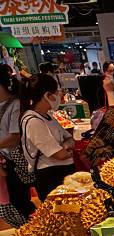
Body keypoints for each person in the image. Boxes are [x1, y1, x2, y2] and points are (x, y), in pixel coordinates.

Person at [19, 73, 75, 201]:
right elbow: (60, 155)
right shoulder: (32, 120)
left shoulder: (48, 117)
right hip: (52, 178)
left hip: (63, 173)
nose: (59, 95)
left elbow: (70, 139)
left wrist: (65, 146)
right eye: (56, 92)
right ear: (47, 95)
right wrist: (65, 149)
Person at [0, 65, 35, 227]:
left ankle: (34, 231)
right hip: (5, 162)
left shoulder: (15, 105)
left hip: (15, 163)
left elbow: (15, 137)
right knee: (11, 202)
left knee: (19, 201)